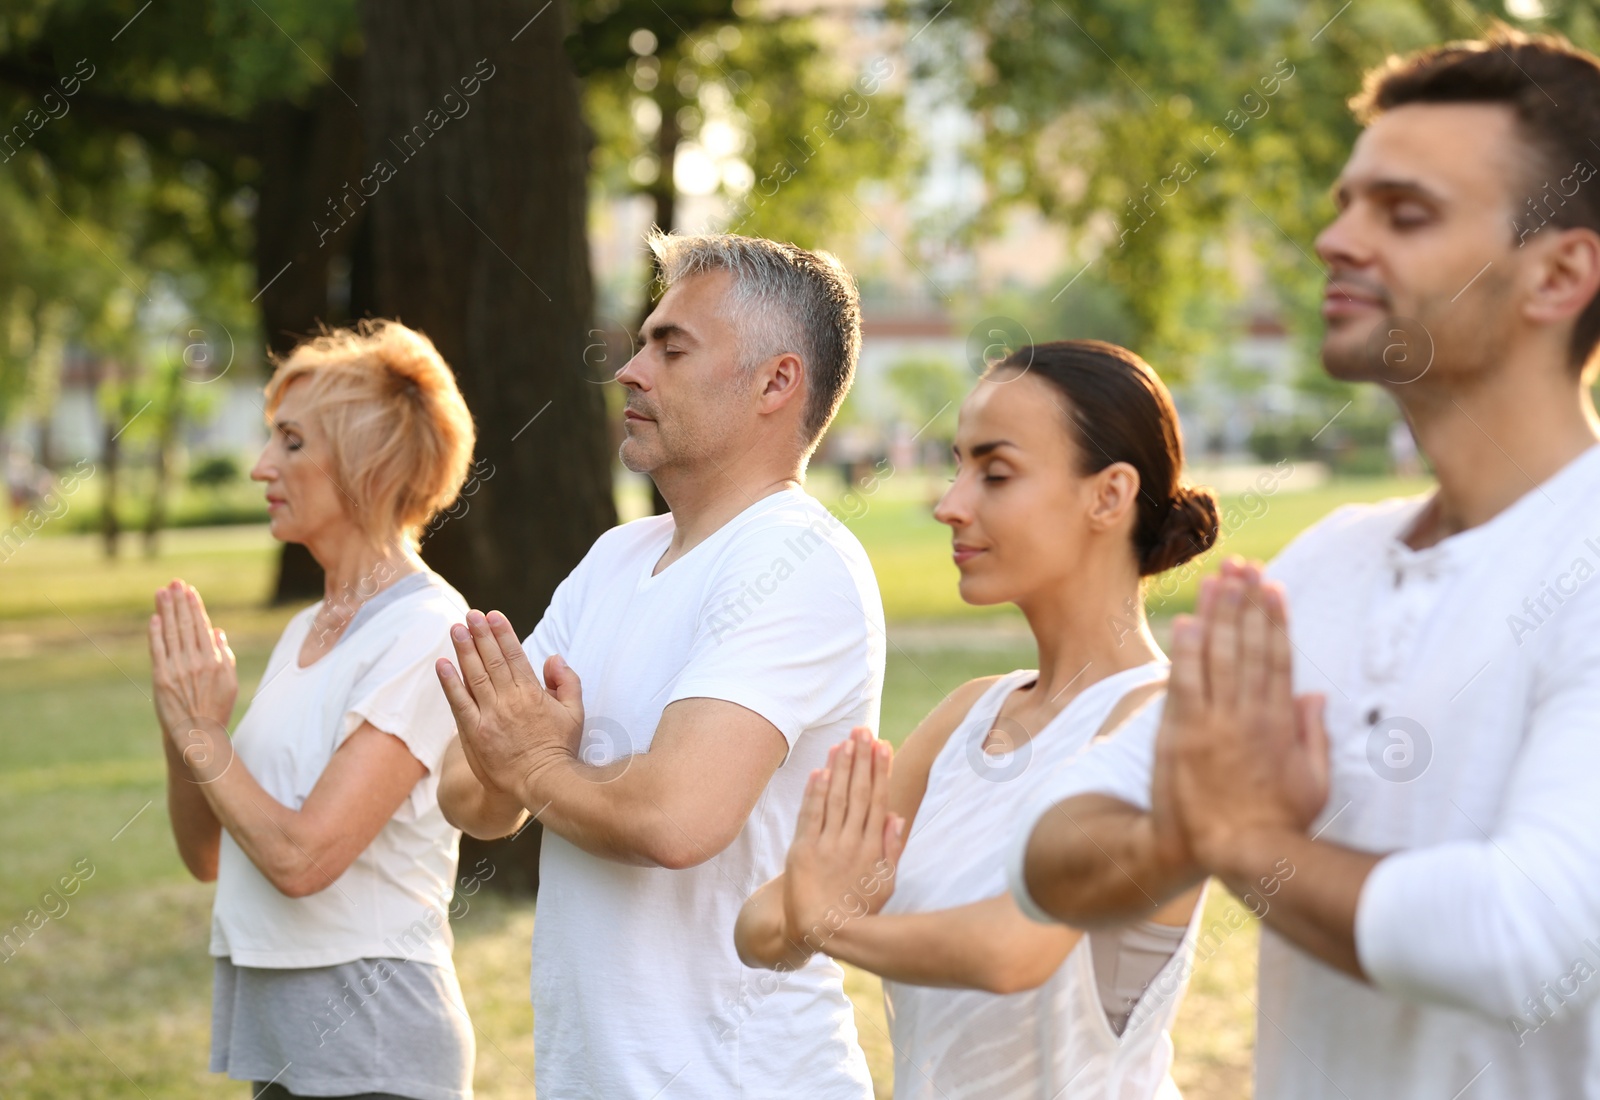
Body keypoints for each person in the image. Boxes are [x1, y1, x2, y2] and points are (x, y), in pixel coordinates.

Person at [1009, 27, 1600, 1100]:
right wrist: (1178, 834)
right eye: (1344, 204)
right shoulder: (1331, 561)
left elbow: (1522, 934)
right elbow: (1049, 849)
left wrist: (1236, 834)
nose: (1336, 240)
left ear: (1557, 272)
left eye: (1404, 213)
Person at [434, 231, 884, 1099]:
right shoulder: (615, 557)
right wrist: (529, 770)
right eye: (641, 343)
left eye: (670, 348)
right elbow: (467, 796)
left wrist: (533, 763)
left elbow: (676, 820)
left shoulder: (796, 560)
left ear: (776, 382)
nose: (631, 372)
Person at [734, 340, 1217, 1099]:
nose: (949, 503)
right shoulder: (970, 712)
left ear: (1109, 495)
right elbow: (758, 928)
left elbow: (1014, 948)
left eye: (995, 473)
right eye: (958, 466)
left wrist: (829, 920)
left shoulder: (1167, 721)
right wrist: (816, 901)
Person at [149, 320, 478, 1100]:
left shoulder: (424, 627)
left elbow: (302, 860)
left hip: (373, 1052)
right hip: (284, 1047)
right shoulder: (308, 628)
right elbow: (211, 857)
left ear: (368, 463)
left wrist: (204, 740)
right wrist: (184, 727)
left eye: (292, 443)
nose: (263, 466)